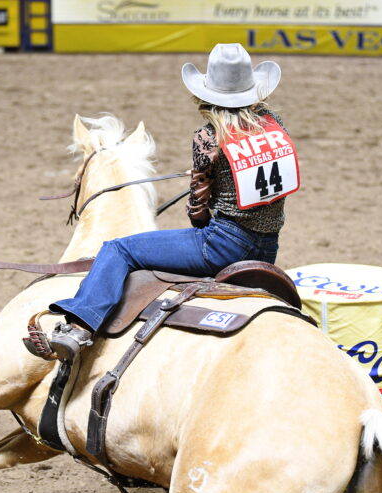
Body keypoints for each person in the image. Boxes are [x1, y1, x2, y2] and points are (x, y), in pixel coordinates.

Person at [24, 43, 301, 361]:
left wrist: (202, 177)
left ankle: (78, 328)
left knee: (118, 249)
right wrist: (216, 176)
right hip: (267, 248)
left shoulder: (207, 137)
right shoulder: (273, 122)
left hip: (224, 245)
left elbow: (198, 213)